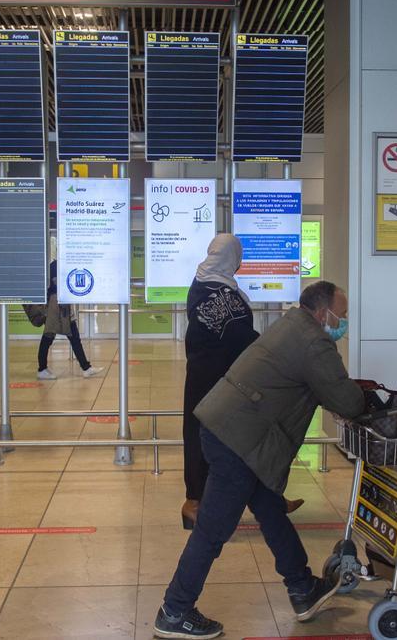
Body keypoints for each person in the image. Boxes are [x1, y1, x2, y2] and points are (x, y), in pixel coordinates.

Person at [154, 281, 365, 640]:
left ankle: (302, 588)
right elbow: (348, 401)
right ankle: (175, 611)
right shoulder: (314, 342)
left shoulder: (291, 323)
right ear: (322, 313)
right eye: (341, 316)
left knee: (270, 511)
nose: (342, 323)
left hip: (234, 431)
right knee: (212, 531)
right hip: (237, 440)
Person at [180, 235, 303, 530]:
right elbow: (240, 336)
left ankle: (263, 500)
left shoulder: (207, 282)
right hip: (219, 381)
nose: (241, 261)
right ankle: (196, 503)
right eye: (239, 255)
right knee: (234, 438)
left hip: (212, 376)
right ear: (231, 257)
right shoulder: (216, 292)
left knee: (235, 439)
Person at [37, 261, 103, 380]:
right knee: (48, 338)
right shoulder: (55, 266)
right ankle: (42, 369)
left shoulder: (64, 265)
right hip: (56, 309)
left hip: (63, 309)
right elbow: (57, 285)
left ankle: (86, 368)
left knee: (73, 338)